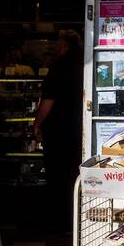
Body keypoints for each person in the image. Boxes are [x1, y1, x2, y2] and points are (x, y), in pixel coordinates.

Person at [30, 29, 84, 233]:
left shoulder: (59, 67)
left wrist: (36, 124)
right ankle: (77, 220)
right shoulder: (85, 64)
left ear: (64, 47)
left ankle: (60, 221)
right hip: (80, 129)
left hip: (59, 131)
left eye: (58, 45)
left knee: (57, 177)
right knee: (75, 174)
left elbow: (48, 102)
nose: (56, 49)